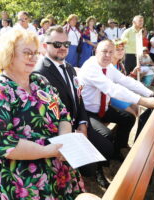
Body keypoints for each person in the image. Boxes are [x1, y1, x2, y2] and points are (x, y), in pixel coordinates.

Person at [0, 28, 85, 200]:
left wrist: (64, 140)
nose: (34, 58)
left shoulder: (39, 81)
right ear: (9, 55)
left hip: (54, 152)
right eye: (27, 53)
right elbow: (3, 144)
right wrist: (48, 151)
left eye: (35, 53)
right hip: (16, 171)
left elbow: (63, 113)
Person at [35, 25, 114, 188]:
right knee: (90, 167)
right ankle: (90, 172)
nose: (63, 48)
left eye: (66, 44)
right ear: (45, 46)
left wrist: (83, 124)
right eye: (57, 44)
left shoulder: (69, 68)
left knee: (108, 147)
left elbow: (79, 100)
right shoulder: (39, 73)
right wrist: (72, 131)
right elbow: (48, 114)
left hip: (79, 123)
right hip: (61, 131)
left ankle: (96, 169)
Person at [78, 40, 154, 162]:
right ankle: (99, 168)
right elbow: (113, 89)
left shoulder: (108, 66)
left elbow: (125, 81)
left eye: (111, 52)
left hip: (103, 108)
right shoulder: (91, 67)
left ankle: (117, 151)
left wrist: (150, 93)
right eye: (104, 51)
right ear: (96, 51)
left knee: (128, 118)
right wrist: (143, 101)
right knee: (105, 135)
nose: (107, 55)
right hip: (87, 112)